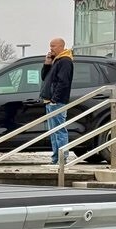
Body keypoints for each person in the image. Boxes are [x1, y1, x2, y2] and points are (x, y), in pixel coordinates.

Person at [40, 37, 74, 165]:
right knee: (53, 132)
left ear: (61, 46)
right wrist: (47, 63)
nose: (51, 48)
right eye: (50, 46)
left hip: (57, 101)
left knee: (59, 131)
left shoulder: (65, 61)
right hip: (50, 100)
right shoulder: (56, 61)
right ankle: (55, 158)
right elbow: (45, 77)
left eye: (53, 46)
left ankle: (61, 158)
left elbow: (63, 82)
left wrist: (55, 99)